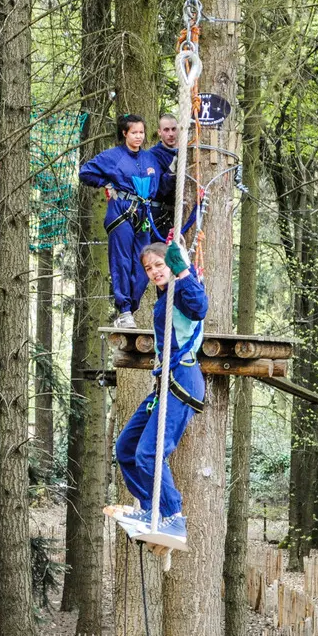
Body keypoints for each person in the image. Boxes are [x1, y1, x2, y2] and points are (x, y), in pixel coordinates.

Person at [109, 239, 206, 546]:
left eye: (159, 265)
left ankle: (172, 517)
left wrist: (182, 271)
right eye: (148, 268)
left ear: (171, 266)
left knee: (149, 454)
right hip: (165, 381)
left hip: (183, 379)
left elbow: (199, 307)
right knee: (126, 449)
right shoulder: (164, 297)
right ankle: (151, 510)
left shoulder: (182, 292)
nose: (153, 272)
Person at [79, 114, 171, 328]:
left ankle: (131, 307)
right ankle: (124, 309)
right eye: (134, 133)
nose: (139, 137)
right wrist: (107, 183)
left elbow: (160, 187)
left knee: (144, 266)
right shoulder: (113, 156)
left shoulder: (150, 159)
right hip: (121, 211)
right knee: (122, 261)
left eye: (141, 132)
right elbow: (85, 173)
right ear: (124, 133)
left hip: (144, 215)